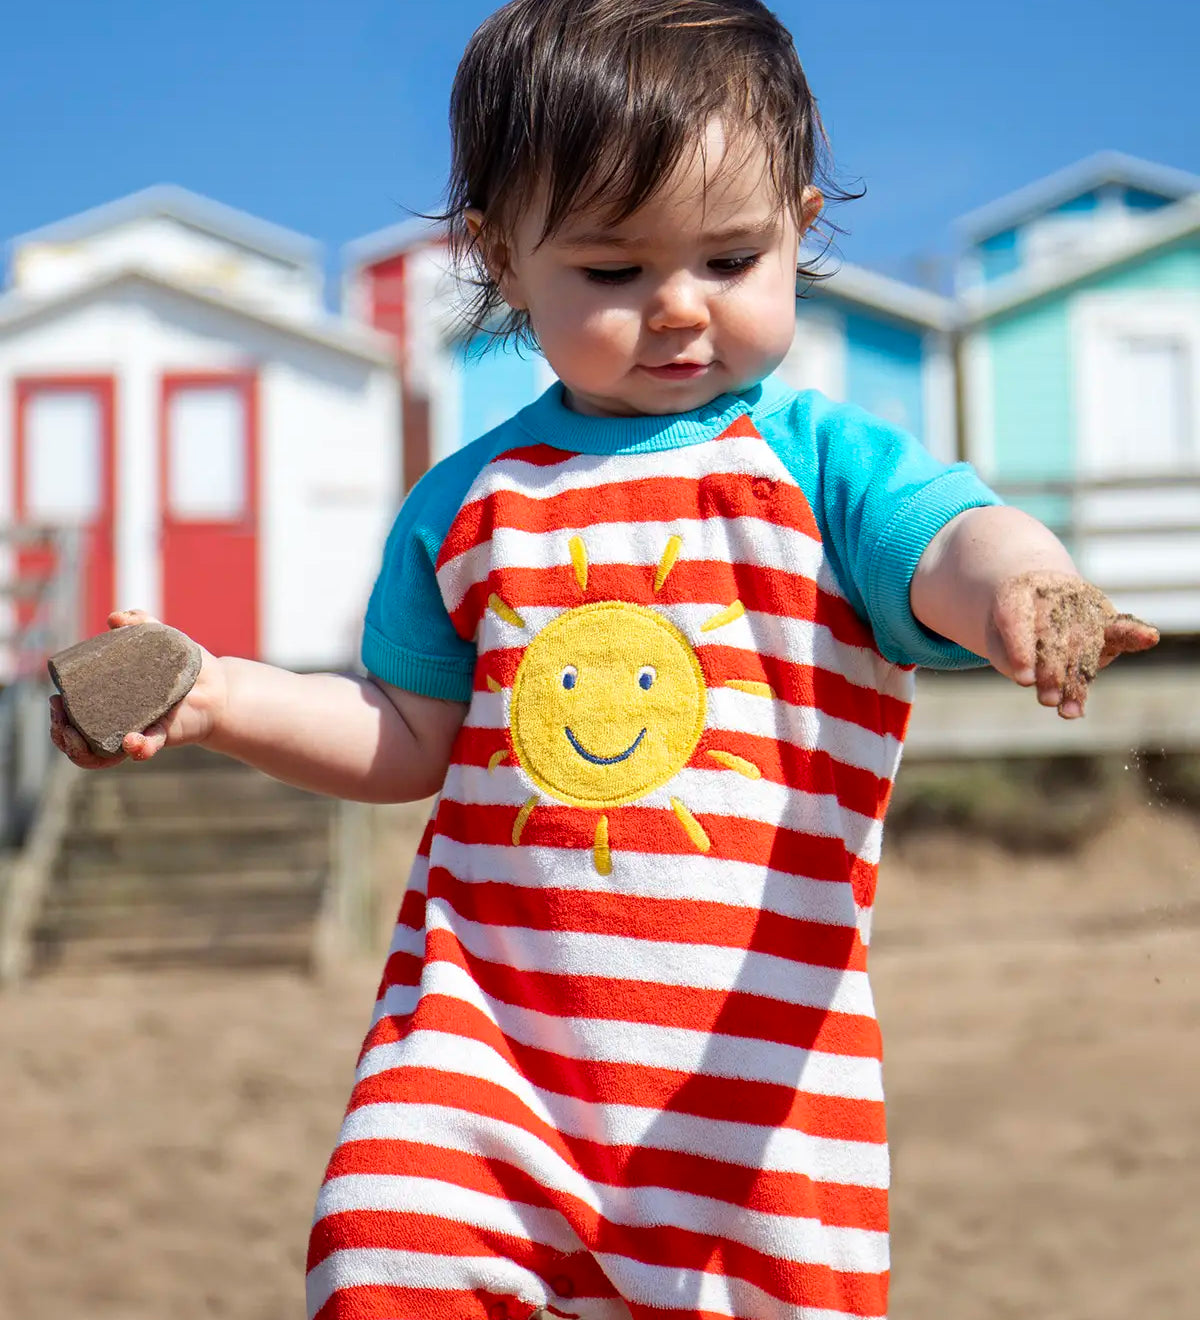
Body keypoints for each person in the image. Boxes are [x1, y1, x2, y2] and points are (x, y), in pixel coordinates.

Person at [51, 2, 1159, 1316]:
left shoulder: (813, 468)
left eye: (733, 258)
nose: (680, 309)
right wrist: (222, 694)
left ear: (801, 228)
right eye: (613, 273)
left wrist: (1026, 587)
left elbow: (955, 541)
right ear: (502, 261)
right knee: (386, 1249)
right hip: (487, 1045)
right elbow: (405, 735)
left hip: (754, 1091)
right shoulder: (474, 503)